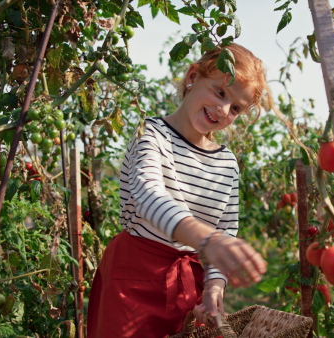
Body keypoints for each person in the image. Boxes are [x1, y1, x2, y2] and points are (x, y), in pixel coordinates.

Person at [86, 43, 270, 338]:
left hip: (189, 287)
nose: (223, 109)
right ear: (192, 76)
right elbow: (150, 198)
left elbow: (226, 230)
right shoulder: (152, 135)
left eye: (235, 108)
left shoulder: (226, 163)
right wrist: (207, 240)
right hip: (133, 279)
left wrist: (213, 287)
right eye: (220, 92)